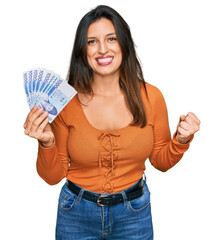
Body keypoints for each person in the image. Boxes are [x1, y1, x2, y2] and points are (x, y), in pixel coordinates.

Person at [23, 5, 200, 240]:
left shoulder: (152, 97)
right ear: (82, 51)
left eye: (111, 38)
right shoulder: (64, 101)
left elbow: (161, 161)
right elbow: (52, 176)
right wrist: (46, 143)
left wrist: (180, 140)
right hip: (75, 214)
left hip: (134, 213)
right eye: (92, 41)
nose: (102, 49)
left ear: (124, 44)